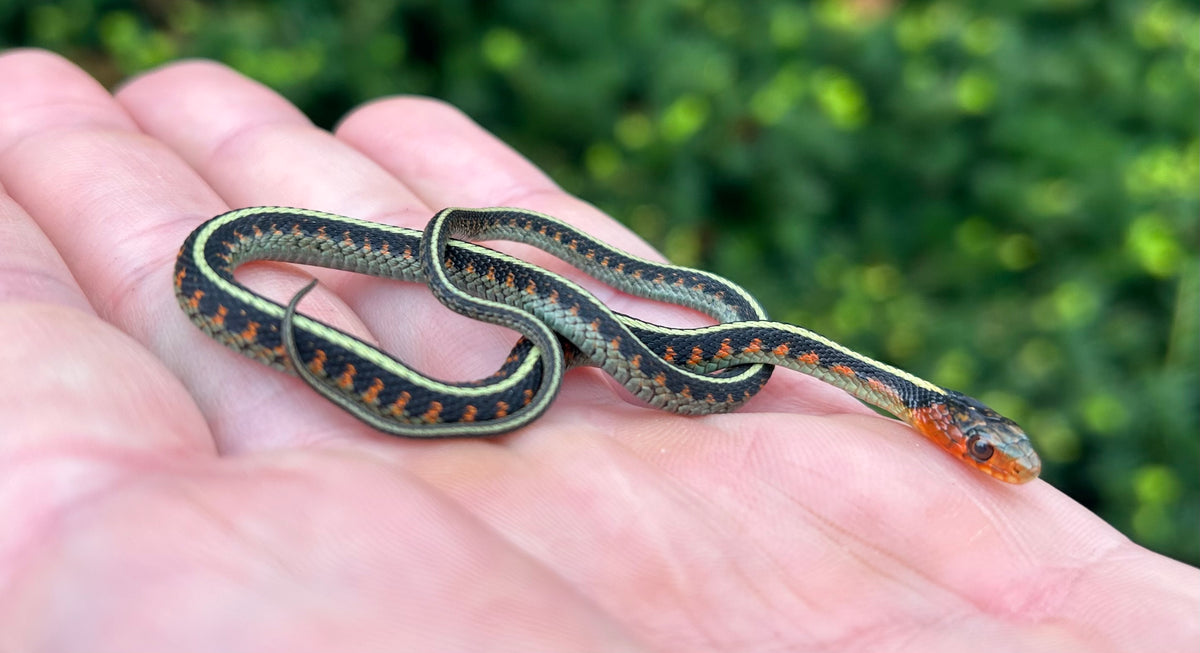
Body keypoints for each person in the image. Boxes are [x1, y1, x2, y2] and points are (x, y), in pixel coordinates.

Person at [0, 49, 1194, 652]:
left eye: (991, 455)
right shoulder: (815, 365)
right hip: (270, 267)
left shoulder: (799, 369)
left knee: (683, 348)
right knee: (617, 333)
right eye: (990, 451)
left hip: (634, 332)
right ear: (949, 422)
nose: (999, 462)